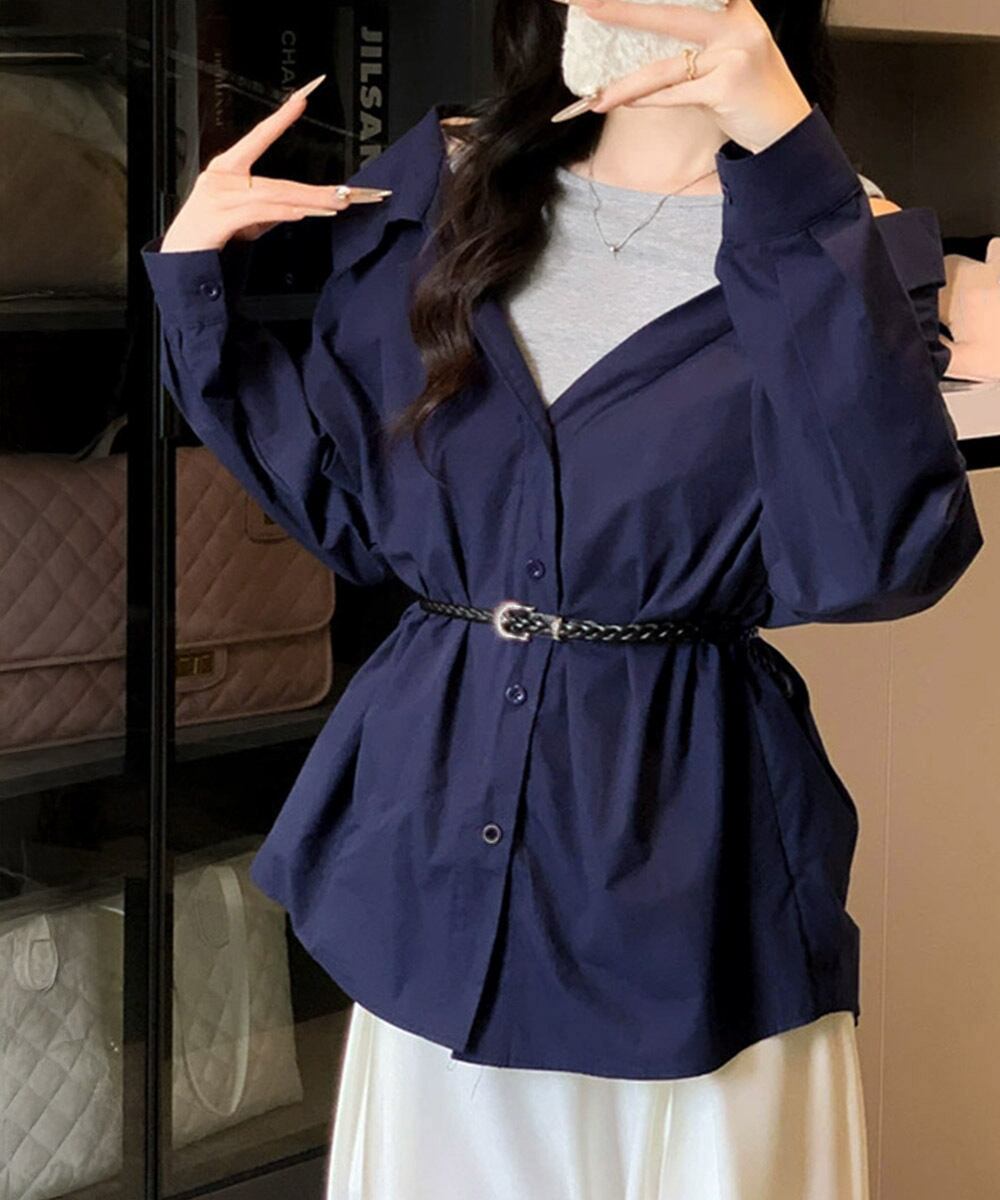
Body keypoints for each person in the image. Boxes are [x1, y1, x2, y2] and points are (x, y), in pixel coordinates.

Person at [141, 1, 982, 1196]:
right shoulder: (443, 192)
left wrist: (789, 155)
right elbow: (353, 516)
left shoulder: (843, 240)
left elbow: (879, 557)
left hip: (685, 864)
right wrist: (194, 286)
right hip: (430, 837)